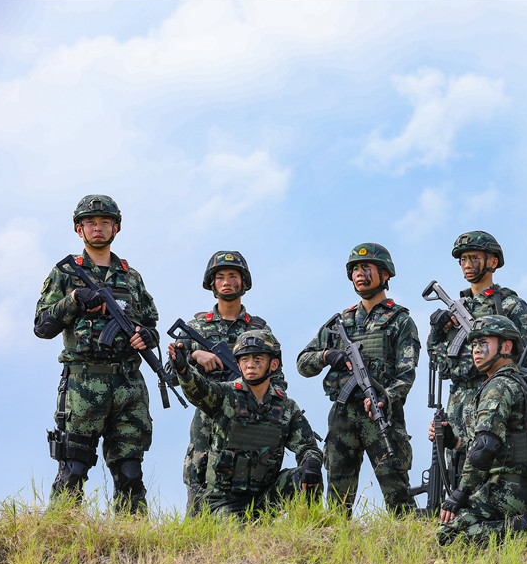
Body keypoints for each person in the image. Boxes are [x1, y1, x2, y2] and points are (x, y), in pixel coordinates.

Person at [34, 194, 158, 515]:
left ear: (115, 228)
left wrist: (147, 335)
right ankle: (57, 540)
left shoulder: (131, 278)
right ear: (80, 229)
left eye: (105, 222)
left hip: (129, 386)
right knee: (73, 468)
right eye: (91, 223)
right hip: (83, 384)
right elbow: (42, 326)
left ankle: (135, 547)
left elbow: (150, 325)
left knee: (130, 473)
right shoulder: (65, 273)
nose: (98, 228)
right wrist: (75, 298)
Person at [296, 243, 420, 516]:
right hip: (342, 416)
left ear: (385, 274)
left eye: (367, 268)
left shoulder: (399, 321)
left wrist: (386, 397)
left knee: (398, 497)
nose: (360, 274)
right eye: (355, 270)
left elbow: (406, 373)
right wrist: (328, 355)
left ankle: (410, 549)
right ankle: (338, 549)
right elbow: (303, 363)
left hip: (382, 415)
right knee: (338, 502)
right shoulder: (341, 322)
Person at [171, 251, 284, 517]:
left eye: (233, 276)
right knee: (198, 480)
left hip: (248, 420)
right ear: (212, 284)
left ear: (244, 282)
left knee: (250, 480)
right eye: (220, 277)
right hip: (209, 416)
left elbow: (278, 380)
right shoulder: (197, 326)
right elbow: (172, 370)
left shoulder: (260, 329)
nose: (226, 282)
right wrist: (195, 356)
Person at [171, 329, 322, 518]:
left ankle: (310, 533)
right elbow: (199, 390)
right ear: (239, 365)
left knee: (308, 474)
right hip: (222, 500)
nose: (250, 365)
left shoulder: (286, 407)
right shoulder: (224, 394)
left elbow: (308, 447)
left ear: (273, 364)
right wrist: (184, 370)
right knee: (239, 537)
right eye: (244, 360)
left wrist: (311, 463)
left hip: (264, 497)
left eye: (258, 359)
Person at [435, 315, 527, 546]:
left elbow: (485, 448)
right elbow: (499, 443)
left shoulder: (498, 386)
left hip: (510, 487)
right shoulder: (516, 382)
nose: (476, 351)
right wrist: (454, 441)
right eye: (473, 345)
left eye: (483, 343)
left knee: (447, 534)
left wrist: (462, 492)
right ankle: (520, 527)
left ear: (506, 346)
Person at [426, 231, 527, 453]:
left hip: (493, 398)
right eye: (463, 259)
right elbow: (440, 361)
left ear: (493, 262)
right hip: (457, 400)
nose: (468, 264)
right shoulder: (457, 309)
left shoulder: (508, 305)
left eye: (474, 258)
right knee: (455, 469)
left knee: (489, 462)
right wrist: (437, 330)